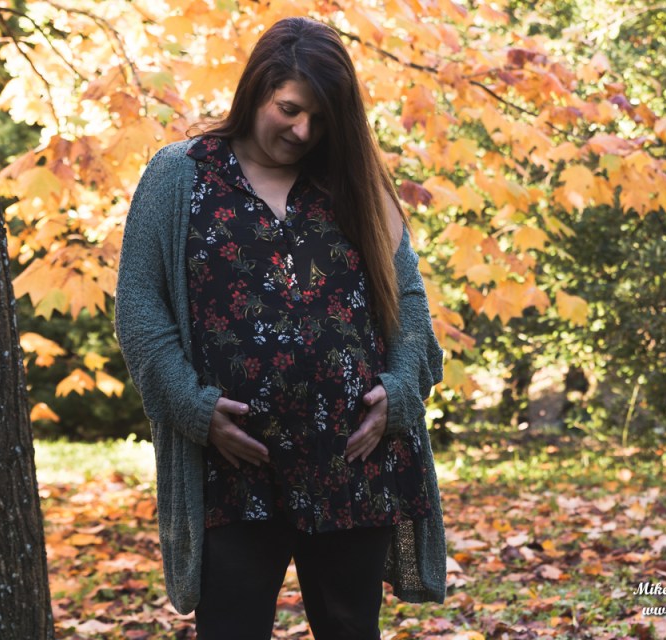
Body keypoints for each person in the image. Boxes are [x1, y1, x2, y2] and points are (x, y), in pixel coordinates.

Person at [114, 16, 446, 640]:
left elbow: (406, 301)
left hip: (353, 461)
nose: (302, 131)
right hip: (234, 468)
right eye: (290, 109)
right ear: (256, 90)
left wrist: (400, 393)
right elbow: (138, 306)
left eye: (320, 119)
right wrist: (192, 408)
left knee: (350, 628)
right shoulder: (180, 175)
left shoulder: (354, 182)